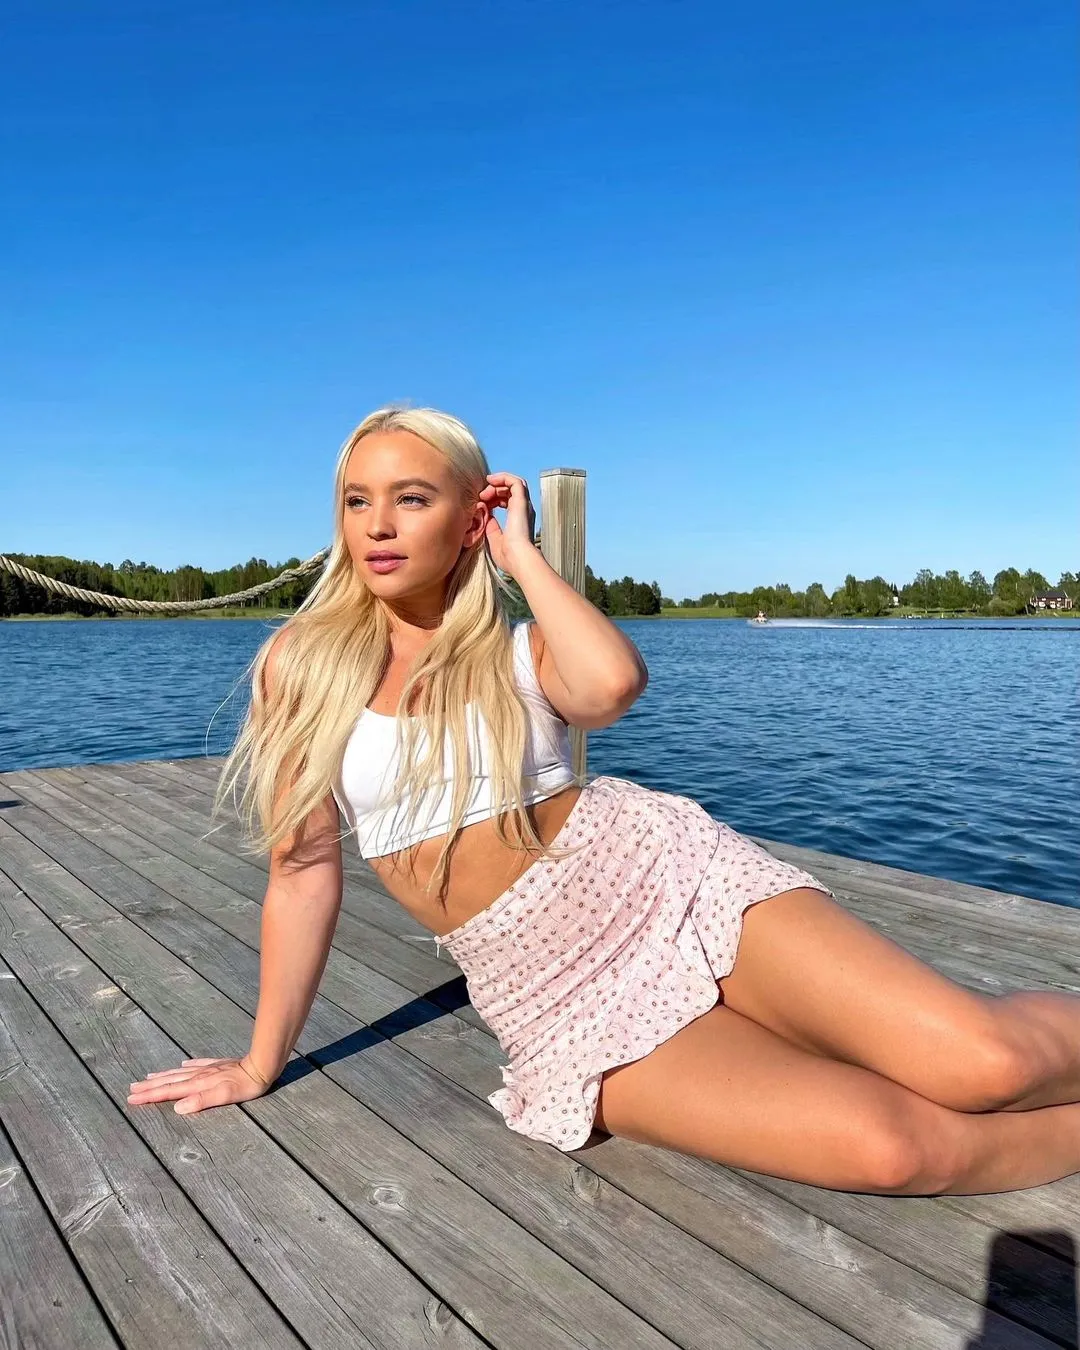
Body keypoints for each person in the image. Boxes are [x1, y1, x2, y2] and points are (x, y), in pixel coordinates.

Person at [128, 406, 1080, 1197]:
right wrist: (260, 1061)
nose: (378, 524)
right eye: (357, 501)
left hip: (663, 883)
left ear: (472, 516)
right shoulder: (301, 667)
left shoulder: (518, 648)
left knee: (985, 1064)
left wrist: (524, 560)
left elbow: (614, 686)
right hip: (546, 987)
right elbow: (301, 874)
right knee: (894, 1148)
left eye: (411, 498)